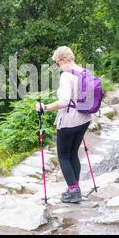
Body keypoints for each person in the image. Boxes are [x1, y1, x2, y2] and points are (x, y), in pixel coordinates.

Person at [36, 46, 92, 203]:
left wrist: (44, 108)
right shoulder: (84, 71)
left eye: (57, 63)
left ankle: (73, 191)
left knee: (63, 156)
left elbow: (64, 101)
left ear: (62, 60)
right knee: (73, 153)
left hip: (69, 121)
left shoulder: (66, 76)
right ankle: (75, 187)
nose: (57, 66)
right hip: (85, 119)